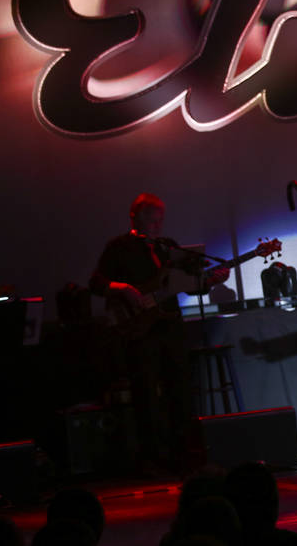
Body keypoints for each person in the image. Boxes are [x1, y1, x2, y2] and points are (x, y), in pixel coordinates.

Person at [90, 193, 229, 471]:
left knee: (180, 386)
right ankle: (151, 455)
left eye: (159, 218)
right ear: (135, 217)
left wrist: (211, 280)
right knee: (146, 390)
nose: (156, 224)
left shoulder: (169, 247)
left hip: (170, 324)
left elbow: (189, 285)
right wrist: (123, 289)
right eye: (149, 218)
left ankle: (182, 452)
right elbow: (96, 282)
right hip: (139, 328)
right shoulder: (118, 247)